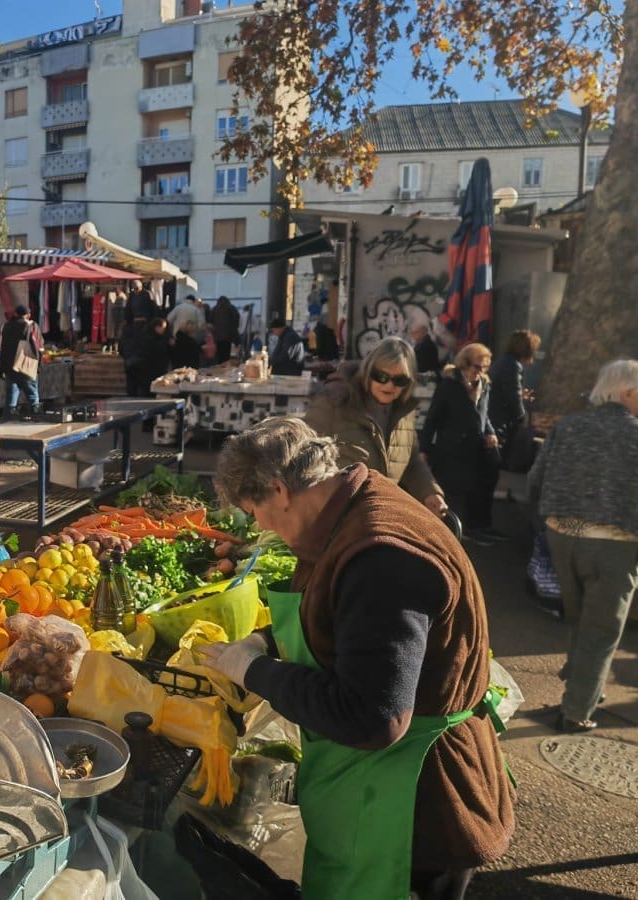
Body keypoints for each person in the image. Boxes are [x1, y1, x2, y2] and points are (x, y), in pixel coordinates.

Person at [202, 417, 514, 900]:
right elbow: (349, 619)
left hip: (415, 808)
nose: (258, 525)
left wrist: (254, 671)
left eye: (252, 509)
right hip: (382, 789)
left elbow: (374, 717)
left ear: (280, 490)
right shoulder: (347, 506)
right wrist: (265, 639)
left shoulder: (381, 556)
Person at [528, 359, 638, 733]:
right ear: (626, 391)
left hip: (562, 538)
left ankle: (584, 689)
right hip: (615, 544)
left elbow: (536, 479)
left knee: (580, 618)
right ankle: (576, 712)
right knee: (602, 629)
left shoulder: (569, 426)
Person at [304, 337, 446, 515]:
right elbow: (302, 456)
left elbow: (411, 461)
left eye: (399, 380)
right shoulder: (334, 402)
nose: (389, 385)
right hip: (335, 518)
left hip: (380, 517)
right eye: (381, 377)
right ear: (368, 372)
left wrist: (430, 492)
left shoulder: (403, 411)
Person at [419, 343, 501, 545]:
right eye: (476, 367)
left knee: (477, 489)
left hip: (477, 448)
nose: (480, 372)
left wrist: (491, 433)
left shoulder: (484, 385)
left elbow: (484, 415)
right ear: (464, 364)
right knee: (453, 492)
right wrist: (424, 448)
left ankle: (477, 528)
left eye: (484, 368)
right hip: (452, 449)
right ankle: (449, 534)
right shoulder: (449, 386)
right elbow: (432, 419)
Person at [488, 329, 540, 459]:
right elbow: (513, 398)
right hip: (499, 420)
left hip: (493, 415)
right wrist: (522, 418)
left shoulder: (503, 361)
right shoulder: (513, 366)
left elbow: (506, 390)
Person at [0, 305, 44, 416]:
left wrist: (1, 368)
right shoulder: (31, 326)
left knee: (11, 400)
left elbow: (0, 347)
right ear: (28, 315)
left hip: (10, 368)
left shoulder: (6, 326)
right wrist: (39, 366)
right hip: (27, 367)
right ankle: (36, 420)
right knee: (33, 398)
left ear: (15, 314)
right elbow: (39, 347)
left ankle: (8, 422)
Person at [134, 316, 171, 397]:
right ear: (156, 327)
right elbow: (155, 349)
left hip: (155, 367)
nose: (164, 330)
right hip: (149, 368)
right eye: (162, 328)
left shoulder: (156, 337)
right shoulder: (148, 337)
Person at [211, 295, 240, 364]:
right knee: (226, 355)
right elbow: (236, 322)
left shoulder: (214, 309)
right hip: (228, 336)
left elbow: (210, 322)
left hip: (217, 337)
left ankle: (218, 368)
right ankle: (224, 369)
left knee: (218, 355)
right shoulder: (231, 308)